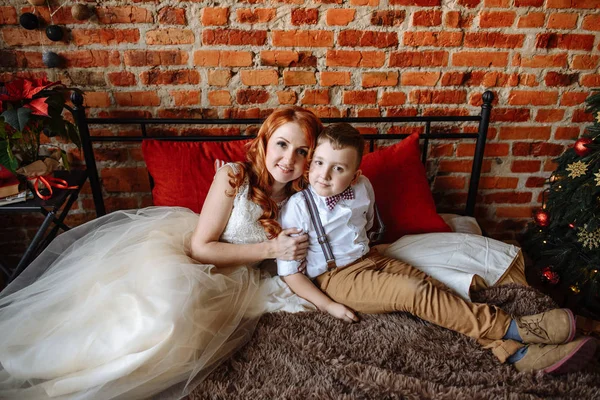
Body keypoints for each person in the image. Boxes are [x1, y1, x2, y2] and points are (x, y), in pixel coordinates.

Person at [0, 107, 323, 399]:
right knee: (163, 309)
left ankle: (96, 378)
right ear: (265, 141)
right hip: (190, 256)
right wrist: (269, 248)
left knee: (182, 329)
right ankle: (65, 362)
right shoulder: (234, 176)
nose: (289, 158)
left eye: (302, 151)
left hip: (242, 277)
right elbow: (201, 247)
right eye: (282, 144)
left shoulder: (305, 196)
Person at [277, 122, 597, 375]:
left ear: (356, 173)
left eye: (338, 168)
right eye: (318, 163)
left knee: (436, 289)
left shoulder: (362, 188)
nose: (324, 175)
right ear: (309, 163)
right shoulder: (298, 208)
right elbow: (291, 274)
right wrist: (327, 305)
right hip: (335, 278)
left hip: (369, 258)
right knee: (414, 292)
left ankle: (516, 353)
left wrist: (376, 250)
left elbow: (371, 226)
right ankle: (515, 327)